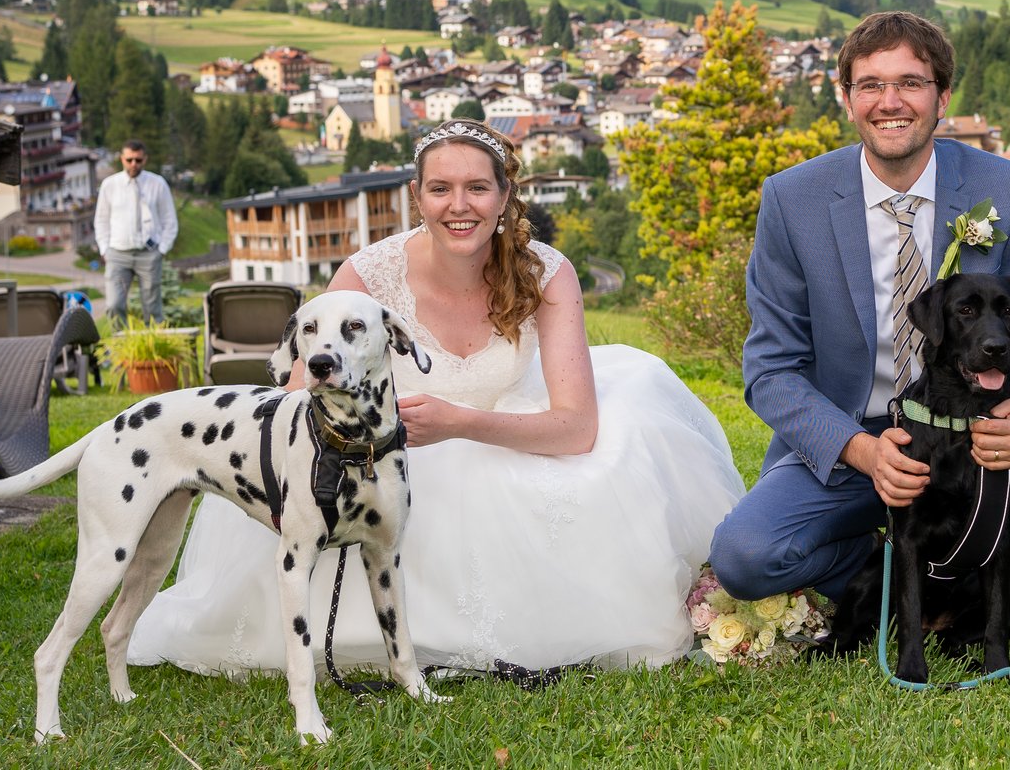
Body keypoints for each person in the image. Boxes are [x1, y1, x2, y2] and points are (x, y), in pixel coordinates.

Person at [127, 120, 744, 675]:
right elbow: (295, 404)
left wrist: (461, 422)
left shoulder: (548, 274)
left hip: (501, 433)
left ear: (505, 196)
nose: (459, 205)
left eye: (478, 187)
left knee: (605, 465)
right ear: (417, 197)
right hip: (379, 457)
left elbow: (577, 428)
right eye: (441, 188)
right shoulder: (367, 276)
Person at [709, 10, 1010, 603]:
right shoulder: (793, 200)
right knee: (746, 558)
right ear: (847, 100)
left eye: (911, 83)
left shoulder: (1002, 188)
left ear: (942, 97)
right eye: (870, 85)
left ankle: (964, 559)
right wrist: (863, 451)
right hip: (853, 437)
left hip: (975, 434)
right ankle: (880, 565)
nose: (889, 101)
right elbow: (770, 370)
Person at [92, 140, 177, 331]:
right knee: (114, 304)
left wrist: (161, 250)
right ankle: (120, 352)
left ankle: (154, 351)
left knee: (152, 309)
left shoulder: (157, 184)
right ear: (122, 159)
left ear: (144, 160)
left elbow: (169, 220)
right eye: (129, 159)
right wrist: (105, 249)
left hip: (149, 254)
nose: (133, 164)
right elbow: (101, 220)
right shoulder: (109, 185)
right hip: (118, 254)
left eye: (138, 160)